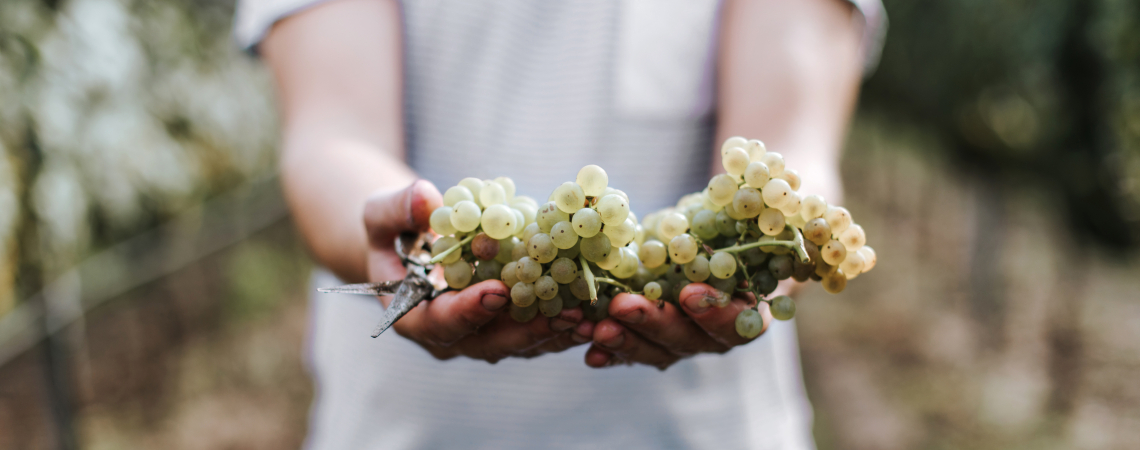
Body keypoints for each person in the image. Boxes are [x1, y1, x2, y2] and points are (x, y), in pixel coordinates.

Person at [234, 0, 884, 448]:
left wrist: (787, 240)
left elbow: (792, 150)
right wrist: (385, 228)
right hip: (403, 433)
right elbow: (332, 135)